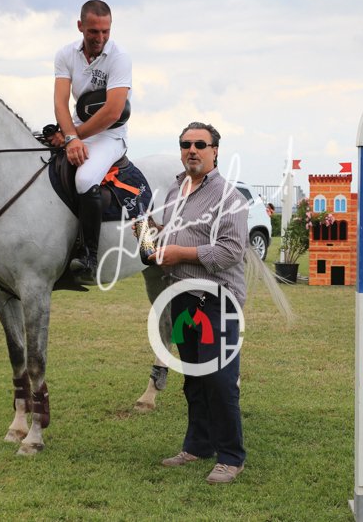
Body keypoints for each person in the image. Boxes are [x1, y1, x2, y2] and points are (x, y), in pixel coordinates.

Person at [151, 122, 248, 484]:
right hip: (182, 298)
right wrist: (152, 238)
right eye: (185, 144)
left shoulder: (229, 197)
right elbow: (172, 235)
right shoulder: (175, 190)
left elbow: (231, 251)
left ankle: (231, 457)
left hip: (217, 301)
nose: (192, 149)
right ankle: (198, 446)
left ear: (215, 151)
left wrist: (180, 253)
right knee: (193, 378)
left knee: (219, 380)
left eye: (200, 144)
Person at [50, 0, 132, 283]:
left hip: (110, 134)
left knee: (85, 179)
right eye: (93, 31)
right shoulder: (65, 54)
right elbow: (60, 103)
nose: (100, 38)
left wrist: (72, 138)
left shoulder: (120, 57)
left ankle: (89, 257)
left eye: (105, 31)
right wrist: (69, 136)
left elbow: (113, 112)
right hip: (76, 129)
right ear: (80, 26)